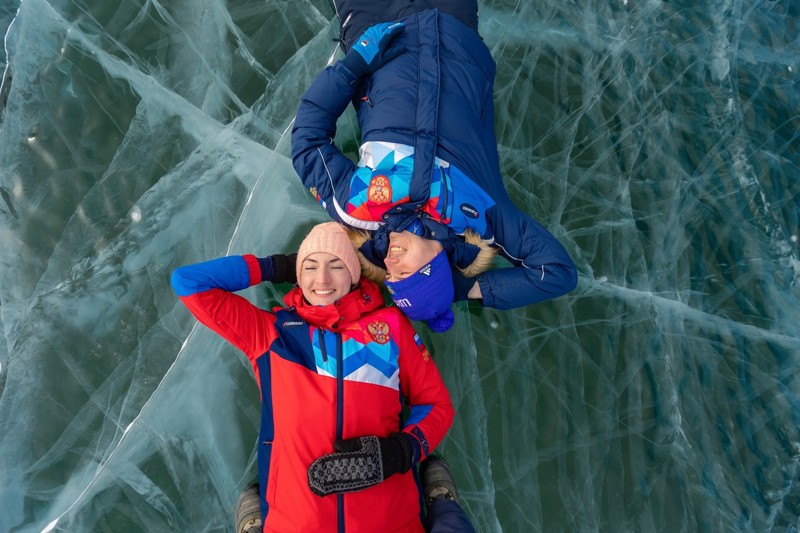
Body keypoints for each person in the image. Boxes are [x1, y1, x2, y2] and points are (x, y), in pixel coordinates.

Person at [291, 0, 579, 333]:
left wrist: (353, 65)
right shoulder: (485, 218)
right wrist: (466, 290)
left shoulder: (358, 209)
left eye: (392, 276)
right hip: (451, 25)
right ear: (438, 267)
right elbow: (557, 272)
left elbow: (308, 143)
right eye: (407, 273)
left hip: (375, 25)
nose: (391, 265)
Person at [170, 222, 473, 532]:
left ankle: (442, 504)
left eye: (336, 265)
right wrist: (277, 266)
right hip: (296, 521)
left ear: (354, 274)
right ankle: (443, 501)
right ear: (298, 277)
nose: (323, 279)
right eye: (311, 267)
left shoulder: (390, 327)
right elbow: (189, 282)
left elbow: (435, 403)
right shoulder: (269, 333)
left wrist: (403, 451)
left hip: (392, 521)